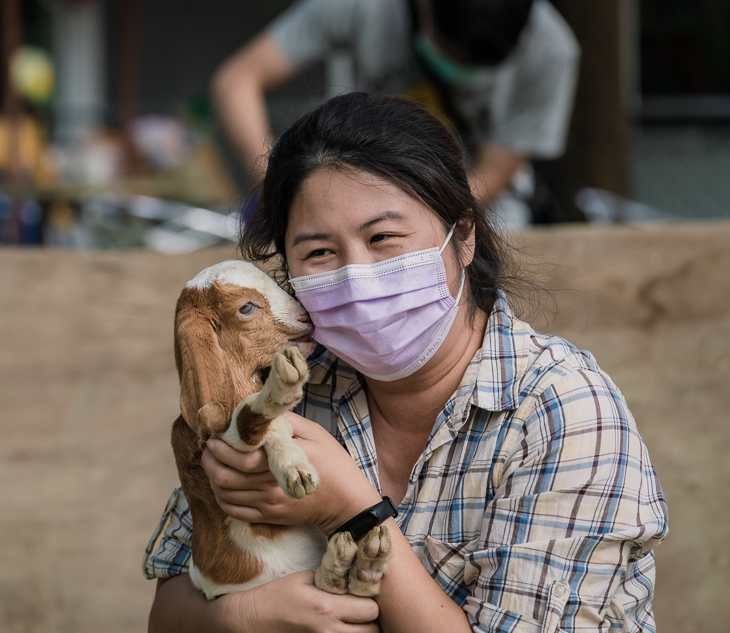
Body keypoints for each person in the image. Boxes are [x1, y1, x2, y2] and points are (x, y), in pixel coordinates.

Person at [143, 93, 667, 632]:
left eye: (383, 238)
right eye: (319, 252)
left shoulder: (562, 412)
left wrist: (348, 509)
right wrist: (247, 614)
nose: (357, 276)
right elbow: (169, 609)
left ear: (463, 237)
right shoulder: (284, 389)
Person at [211, 0, 580, 230]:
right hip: (354, 186)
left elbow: (493, 174)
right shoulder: (366, 7)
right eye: (449, 52)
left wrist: (411, 223)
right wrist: (276, 191)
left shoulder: (551, 49)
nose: (461, 70)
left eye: (476, 65)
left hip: (467, 205)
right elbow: (237, 80)